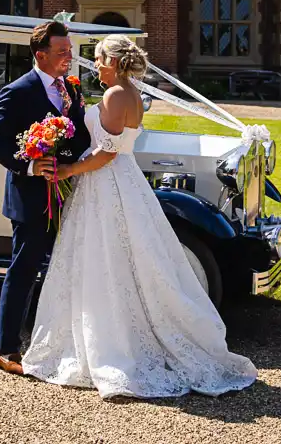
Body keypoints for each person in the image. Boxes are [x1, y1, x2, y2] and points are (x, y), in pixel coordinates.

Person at [19, 34, 257, 399]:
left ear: (112, 62)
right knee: (125, 256)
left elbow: (107, 154)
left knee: (105, 256)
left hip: (107, 181)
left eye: (98, 59)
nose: (95, 65)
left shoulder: (116, 96)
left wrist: (68, 171)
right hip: (121, 182)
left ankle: (113, 344)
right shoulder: (130, 93)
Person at [0, 20, 91, 374]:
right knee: (25, 269)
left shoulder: (71, 89)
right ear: (41, 55)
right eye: (62, 52)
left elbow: (78, 140)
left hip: (69, 194)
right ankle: (7, 349)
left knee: (66, 269)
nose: (69, 57)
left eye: (70, 50)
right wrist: (30, 166)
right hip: (30, 198)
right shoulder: (16, 91)